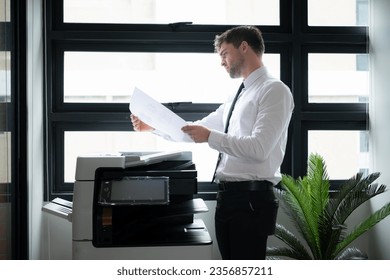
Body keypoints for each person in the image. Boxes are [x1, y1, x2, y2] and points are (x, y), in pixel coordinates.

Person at [131, 25, 294, 260]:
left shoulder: (274, 90)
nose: (222, 62)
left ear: (244, 47)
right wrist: (153, 127)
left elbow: (259, 148)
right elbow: (194, 130)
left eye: (225, 54)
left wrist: (209, 136)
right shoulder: (237, 96)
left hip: (251, 200)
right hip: (227, 198)